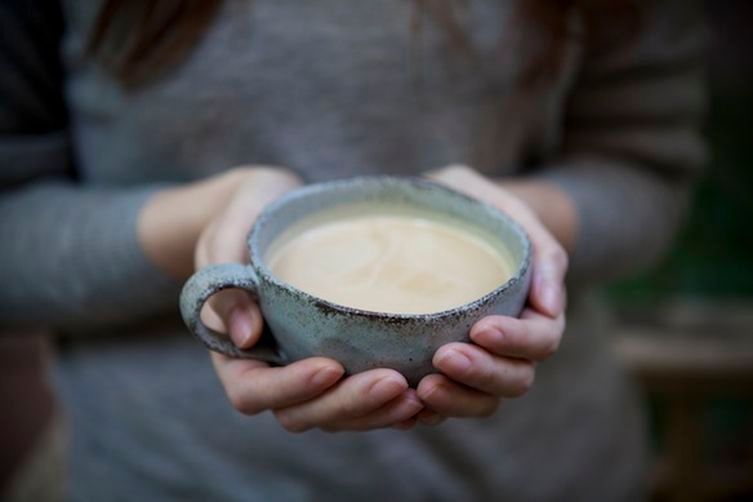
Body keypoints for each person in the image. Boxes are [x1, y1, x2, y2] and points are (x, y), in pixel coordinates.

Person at [0, 0, 705, 500]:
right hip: (163, 477)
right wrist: (198, 224)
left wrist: (528, 224)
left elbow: (643, 167)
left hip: (543, 470)